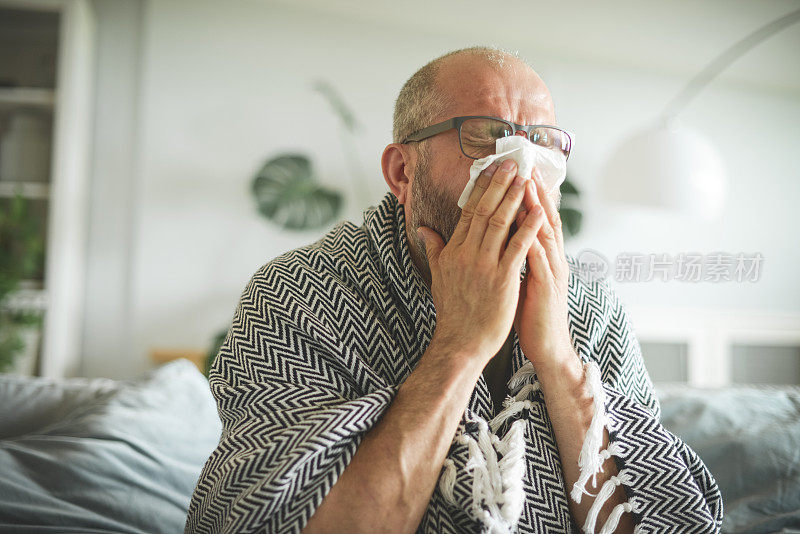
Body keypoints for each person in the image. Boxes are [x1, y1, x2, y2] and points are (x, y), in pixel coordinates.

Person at [185, 47, 723, 534]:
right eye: (486, 134)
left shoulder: (591, 305)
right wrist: (460, 346)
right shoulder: (298, 292)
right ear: (402, 171)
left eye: (541, 142)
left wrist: (559, 362)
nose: (521, 166)